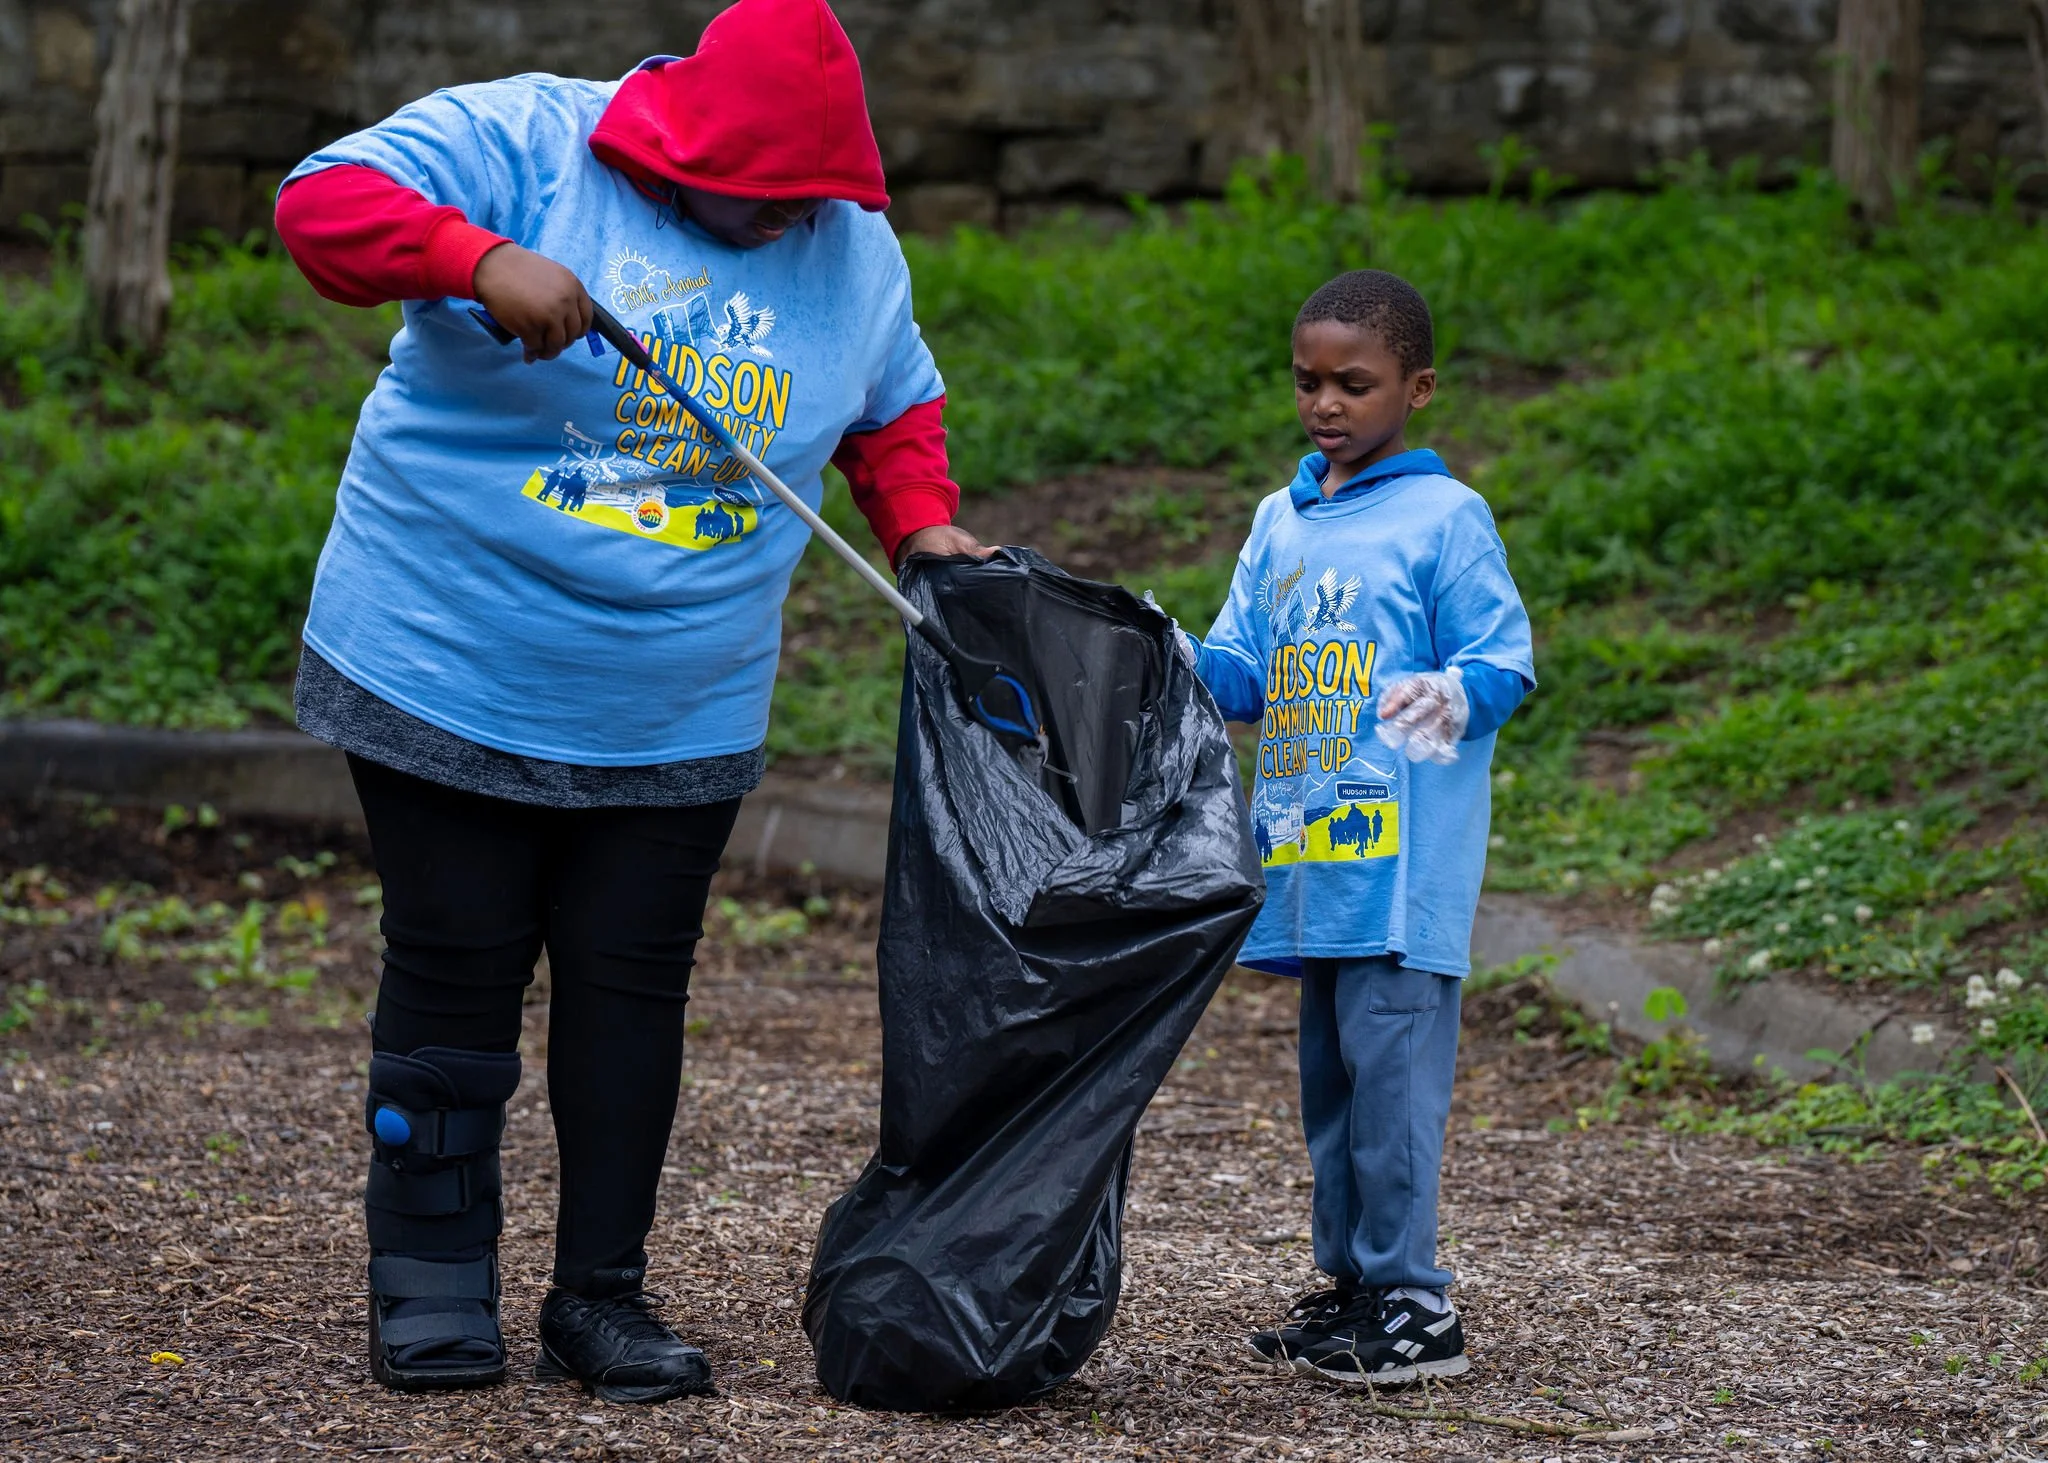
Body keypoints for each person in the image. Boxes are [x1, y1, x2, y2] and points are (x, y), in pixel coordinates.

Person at [272, 0, 986, 1403]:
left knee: (628, 989)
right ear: (686, 142)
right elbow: (320, 204)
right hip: (451, 653)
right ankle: (431, 1281)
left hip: (680, 704)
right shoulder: (527, 141)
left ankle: (600, 1293)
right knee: (458, 969)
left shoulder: (851, 248)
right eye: (765, 197)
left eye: (818, 200)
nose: (794, 225)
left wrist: (923, 526)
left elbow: (890, 408)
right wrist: (473, 257)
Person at [1187, 269, 1535, 1385]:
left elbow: (1501, 657)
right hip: (1305, 866)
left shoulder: (1446, 516)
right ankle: (1352, 1289)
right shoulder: (1277, 519)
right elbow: (1237, 668)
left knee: (1390, 1092)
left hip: (1397, 878)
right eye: (1306, 382)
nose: (1324, 403)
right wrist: (1161, 654)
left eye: (1353, 382)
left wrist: (1457, 693)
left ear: (1415, 387)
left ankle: (1415, 1304)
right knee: (1330, 1093)